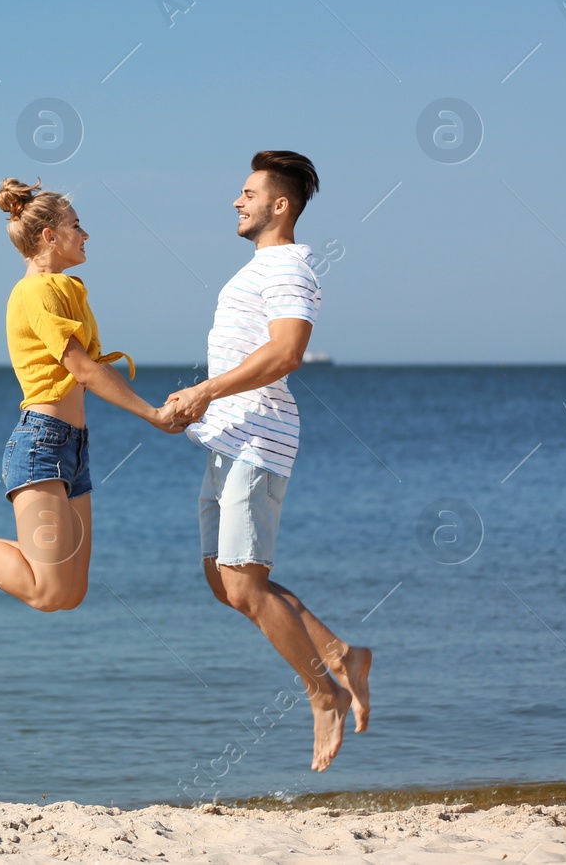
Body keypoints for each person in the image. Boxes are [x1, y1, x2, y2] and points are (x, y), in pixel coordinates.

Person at [0, 178, 183, 611]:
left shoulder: (60, 289)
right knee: (45, 592)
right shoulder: (36, 292)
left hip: (72, 446)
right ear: (50, 236)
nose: (86, 234)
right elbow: (82, 369)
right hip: (42, 444)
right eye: (77, 226)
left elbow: (88, 370)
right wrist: (152, 414)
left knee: (70, 593)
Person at [165, 150, 372, 773]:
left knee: (248, 588)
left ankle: (324, 694)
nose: (238, 200)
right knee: (225, 584)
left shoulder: (289, 267)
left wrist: (204, 390)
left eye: (249, 192)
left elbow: (286, 353)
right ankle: (341, 654)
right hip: (228, 441)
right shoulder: (259, 267)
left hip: (258, 441)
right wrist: (206, 408)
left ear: (280, 205)